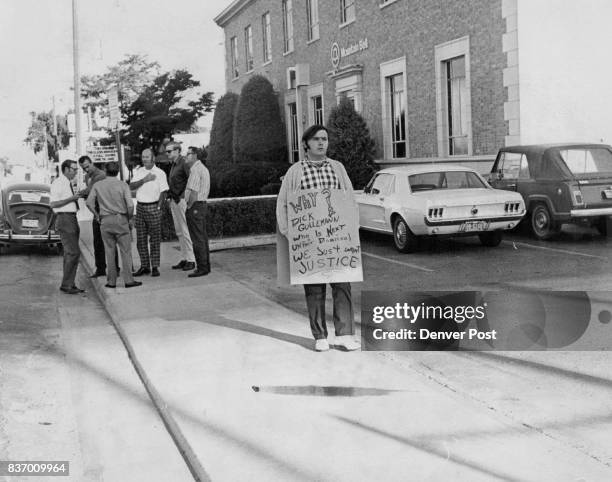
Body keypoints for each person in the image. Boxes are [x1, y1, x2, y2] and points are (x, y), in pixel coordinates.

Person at [276, 125, 361, 352]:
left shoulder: (338, 168)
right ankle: (320, 335)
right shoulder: (296, 171)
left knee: (343, 285)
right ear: (306, 144)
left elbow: (349, 198)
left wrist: (352, 228)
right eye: (316, 139)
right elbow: (283, 202)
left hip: (337, 239)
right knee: (314, 288)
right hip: (309, 238)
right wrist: (289, 231)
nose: (321, 143)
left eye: (324, 139)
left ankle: (345, 334)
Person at [86, 162, 142, 289]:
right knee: (125, 251)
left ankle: (111, 281)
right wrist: (129, 218)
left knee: (109, 251)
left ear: (105, 170)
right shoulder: (122, 185)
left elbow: (89, 202)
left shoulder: (98, 185)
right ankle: (128, 280)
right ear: (117, 171)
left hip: (105, 220)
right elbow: (130, 205)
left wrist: (96, 214)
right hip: (120, 219)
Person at [130, 148, 169, 277]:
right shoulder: (139, 171)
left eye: (147, 156)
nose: (144, 159)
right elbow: (131, 186)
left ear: (153, 158)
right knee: (140, 240)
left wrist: (159, 208)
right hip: (140, 208)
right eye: (143, 156)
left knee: (155, 239)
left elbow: (164, 192)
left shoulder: (160, 173)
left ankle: (155, 266)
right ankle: (144, 266)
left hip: (153, 207)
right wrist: (144, 180)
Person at [78, 155, 118, 278]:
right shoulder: (87, 176)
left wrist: (78, 194)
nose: (86, 170)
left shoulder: (100, 175)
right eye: (83, 168)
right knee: (97, 242)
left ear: (92, 163)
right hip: (95, 210)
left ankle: (115, 268)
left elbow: (89, 191)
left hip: (104, 210)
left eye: (87, 166)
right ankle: (100, 268)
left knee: (109, 241)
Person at [50, 159, 85, 294]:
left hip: (71, 218)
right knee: (73, 252)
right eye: (74, 169)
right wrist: (71, 199)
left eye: (77, 169)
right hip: (65, 218)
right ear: (65, 169)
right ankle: (67, 285)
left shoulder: (67, 183)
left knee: (71, 253)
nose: (76, 172)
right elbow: (53, 204)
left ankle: (69, 283)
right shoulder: (59, 183)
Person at [166, 141, 196, 271]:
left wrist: (184, 196)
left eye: (169, 151)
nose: (167, 153)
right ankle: (184, 258)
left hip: (181, 200)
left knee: (185, 230)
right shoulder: (173, 165)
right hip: (174, 200)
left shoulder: (183, 163)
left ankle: (191, 259)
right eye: (167, 151)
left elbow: (191, 180)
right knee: (179, 232)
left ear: (178, 151)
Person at [184, 146, 211, 277]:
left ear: (194, 155)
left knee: (197, 238)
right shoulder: (203, 169)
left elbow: (194, 193)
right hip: (201, 205)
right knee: (202, 237)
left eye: (188, 154)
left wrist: (189, 206)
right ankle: (205, 266)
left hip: (195, 206)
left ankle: (202, 268)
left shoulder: (195, 170)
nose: (186, 156)